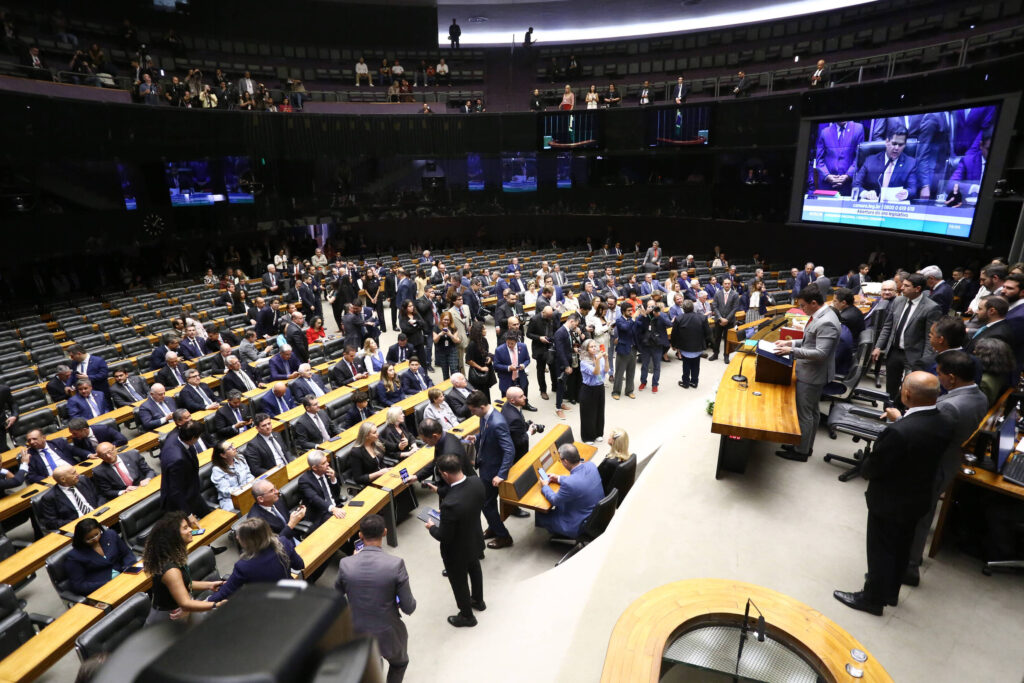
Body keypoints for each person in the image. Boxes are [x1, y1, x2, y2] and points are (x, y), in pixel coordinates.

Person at [833, 372, 952, 616]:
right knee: (901, 549)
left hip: (889, 501)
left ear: (906, 393)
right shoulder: (944, 422)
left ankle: (872, 599)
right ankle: (890, 593)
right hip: (918, 498)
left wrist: (897, 424)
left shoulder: (899, 431)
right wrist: (901, 419)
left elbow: (873, 468)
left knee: (880, 550)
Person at [336, 515, 416, 683]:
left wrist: (352, 560)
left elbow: (335, 597)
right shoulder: (396, 564)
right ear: (385, 532)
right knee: (400, 663)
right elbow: (409, 607)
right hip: (388, 632)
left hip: (357, 630)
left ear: (360, 535)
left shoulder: (345, 564)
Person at [774, 284, 841, 462]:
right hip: (812, 372)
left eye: (803, 305)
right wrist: (790, 343)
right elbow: (809, 341)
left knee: (805, 413)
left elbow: (820, 353)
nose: (801, 309)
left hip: (812, 374)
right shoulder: (821, 315)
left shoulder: (827, 321)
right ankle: (804, 445)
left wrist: (791, 351)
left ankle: (801, 451)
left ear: (813, 303)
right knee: (812, 411)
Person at [426, 454, 486, 627]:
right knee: (475, 568)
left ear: (445, 474)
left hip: (456, 551)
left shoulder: (450, 504)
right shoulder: (476, 482)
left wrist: (431, 527)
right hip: (474, 537)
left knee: (459, 582)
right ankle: (478, 601)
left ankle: (467, 616)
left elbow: (443, 536)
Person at [142, 512, 226, 624]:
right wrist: (216, 605)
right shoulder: (171, 571)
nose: (191, 530)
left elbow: (185, 584)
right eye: (185, 528)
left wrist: (210, 585)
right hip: (166, 621)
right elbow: (185, 603)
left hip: (182, 611)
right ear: (174, 536)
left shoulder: (175, 556)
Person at [872, 273, 943, 405]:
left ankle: (902, 413)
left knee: (910, 390)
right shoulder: (898, 301)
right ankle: (888, 411)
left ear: (918, 289)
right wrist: (878, 346)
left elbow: (930, 337)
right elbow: (888, 326)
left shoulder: (931, 308)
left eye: (906, 286)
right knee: (890, 387)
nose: (901, 288)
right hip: (894, 351)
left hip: (914, 355)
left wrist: (925, 361)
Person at [207, 517, 304, 603]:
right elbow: (299, 565)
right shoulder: (283, 542)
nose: (236, 537)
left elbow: (225, 592)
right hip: (293, 594)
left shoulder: (244, 566)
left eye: (239, 536)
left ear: (248, 542)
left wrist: (206, 602)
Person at [467, 390, 515, 549]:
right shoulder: (485, 416)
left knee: (486, 503)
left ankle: (504, 536)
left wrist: (501, 474)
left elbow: (509, 450)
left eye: (473, 410)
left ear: (481, 407)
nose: (472, 413)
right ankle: (494, 527)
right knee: (488, 502)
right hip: (486, 465)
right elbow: (485, 433)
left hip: (493, 470)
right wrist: (477, 437)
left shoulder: (497, 422)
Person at [535, 444, 604, 538]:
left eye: (560, 460)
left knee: (541, 514)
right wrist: (558, 478)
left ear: (565, 461)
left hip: (580, 524)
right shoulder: (591, 465)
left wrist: (545, 486)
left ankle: (556, 533)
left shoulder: (569, 483)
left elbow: (554, 500)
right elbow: (579, 479)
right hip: (596, 514)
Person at [65, 519, 136, 595]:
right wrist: (106, 584)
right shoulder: (74, 556)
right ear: (81, 539)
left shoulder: (111, 535)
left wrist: (128, 568)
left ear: (99, 529)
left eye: (96, 534)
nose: (95, 539)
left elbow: (127, 554)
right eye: (89, 539)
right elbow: (79, 586)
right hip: (103, 588)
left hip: (124, 575)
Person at [159, 420, 213, 520]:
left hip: (192, 491)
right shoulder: (177, 460)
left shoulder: (176, 436)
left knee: (209, 517)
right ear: (193, 438)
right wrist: (188, 514)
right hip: (182, 501)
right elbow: (175, 491)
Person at [853, 127, 919, 201]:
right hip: (871, 205)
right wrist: (866, 193)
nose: (896, 148)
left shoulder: (911, 163)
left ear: (905, 145)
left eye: (900, 145)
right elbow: (855, 184)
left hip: (896, 205)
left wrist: (906, 193)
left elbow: (913, 189)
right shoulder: (870, 160)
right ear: (887, 142)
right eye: (894, 144)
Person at [670, 300, 712, 389]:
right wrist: (701, 340)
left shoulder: (679, 318)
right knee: (696, 365)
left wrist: (673, 345)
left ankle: (685, 383)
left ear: (683, 309)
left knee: (686, 365)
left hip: (685, 347)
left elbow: (674, 334)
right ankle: (694, 382)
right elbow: (708, 333)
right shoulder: (702, 317)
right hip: (698, 346)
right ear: (693, 308)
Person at [209, 441, 254, 511]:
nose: (234, 448)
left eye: (232, 445)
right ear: (223, 455)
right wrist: (242, 491)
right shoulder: (217, 470)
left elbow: (248, 475)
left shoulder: (240, 458)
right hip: (230, 499)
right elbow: (225, 490)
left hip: (247, 491)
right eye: (229, 448)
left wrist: (249, 487)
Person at [349, 422, 391, 487]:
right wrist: (379, 473)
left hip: (383, 478)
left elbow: (381, 463)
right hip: (370, 484)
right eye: (374, 432)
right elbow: (358, 478)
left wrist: (388, 471)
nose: (378, 433)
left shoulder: (376, 443)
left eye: (377, 431)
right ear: (366, 436)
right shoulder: (356, 452)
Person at [465, 322, 495, 399]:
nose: (485, 330)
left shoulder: (484, 340)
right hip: (477, 373)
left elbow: (486, 352)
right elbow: (468, 360)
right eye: (483, 329)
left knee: (486, 394)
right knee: (478, 395)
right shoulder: (472, 344)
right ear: (479, 331)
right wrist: (481, 368)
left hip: (485, 370)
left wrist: (489, 357)